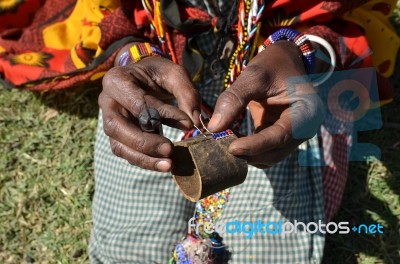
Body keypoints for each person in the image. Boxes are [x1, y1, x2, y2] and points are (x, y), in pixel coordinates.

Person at [1, 0, 399, 263]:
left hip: (278, 69)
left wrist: (301, 52)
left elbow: (347, 14)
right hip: (163, 65)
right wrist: (129, 55)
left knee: (266, 248)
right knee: (128, 250)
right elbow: (104, 13)